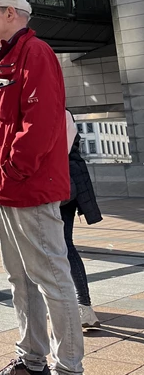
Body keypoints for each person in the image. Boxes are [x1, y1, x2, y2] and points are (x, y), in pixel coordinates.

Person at [0, 0, 90, 375]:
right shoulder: (4, 58)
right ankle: (32, 362)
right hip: (7, 189)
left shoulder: (35, 53)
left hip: (29, 188)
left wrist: (13, 168)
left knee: (53, 279)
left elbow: (41, 121)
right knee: (20, 280)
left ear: (10, 13)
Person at [63, 110, 102, 329]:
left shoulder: (62, 114)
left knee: (64, 246)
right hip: (62, 186)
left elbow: (59, 150)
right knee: (61, 246)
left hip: (62, 187)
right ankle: (78, 305)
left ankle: (84, 306)